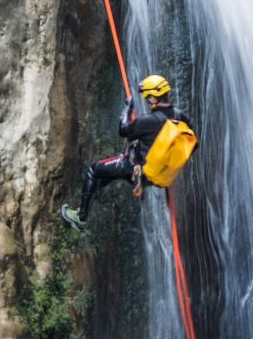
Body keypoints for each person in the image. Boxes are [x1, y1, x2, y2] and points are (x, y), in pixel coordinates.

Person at [60, 74, 191, 232]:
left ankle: (81, 217)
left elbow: (123, 130)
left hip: (135, 170)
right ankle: (92, 194)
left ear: (154, 98)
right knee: (107, 174)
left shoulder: (148, 121)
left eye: (148, 97)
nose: (147, 100)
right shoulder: (180, 116)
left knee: (94, 170)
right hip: (158, 176)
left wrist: (128, 109)